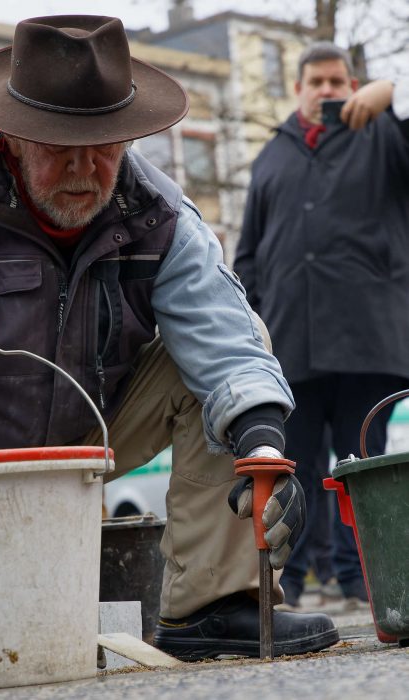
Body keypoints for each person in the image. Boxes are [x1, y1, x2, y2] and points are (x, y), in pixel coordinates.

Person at [0, 15, 339, 660]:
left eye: (103, 146)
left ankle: (210, 606)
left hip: (82, 442)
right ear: (8, 138)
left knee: (225, 379)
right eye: (58, 146)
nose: (83, 168)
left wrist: (262, 445)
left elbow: (225, 334)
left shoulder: (157, 210)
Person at [234, 41, 409, 610]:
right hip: (291, 341)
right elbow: (250, 254)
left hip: (368, 335)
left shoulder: (382, 135)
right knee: (296, 467)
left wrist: (390, 97)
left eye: (339, 81)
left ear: (352, 84)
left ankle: (367, 583)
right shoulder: (271, 157)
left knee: (364, 464)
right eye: (318, 81)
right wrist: (249, 323)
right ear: (298, 88)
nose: (328, 91)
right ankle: (288, 586)